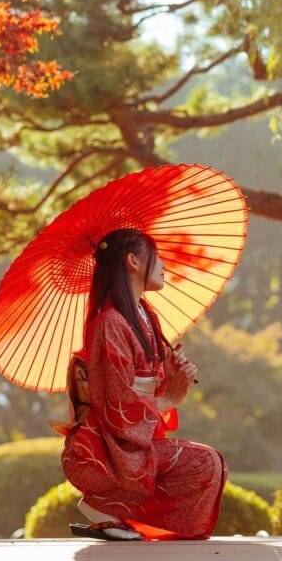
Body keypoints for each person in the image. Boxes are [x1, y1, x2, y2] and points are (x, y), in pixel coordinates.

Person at [58, 228, 227, 541]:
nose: (164, 264)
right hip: (109, 448)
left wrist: (172, 380)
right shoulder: (109, 323)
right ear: (133, 261)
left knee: (208, 466)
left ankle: (115, 512)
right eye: (158, 256)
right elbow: (115, 404)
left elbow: (147, 392)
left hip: (133, 438)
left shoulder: (145, 316)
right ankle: (104, 504)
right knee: (207, 462)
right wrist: (168, 400)